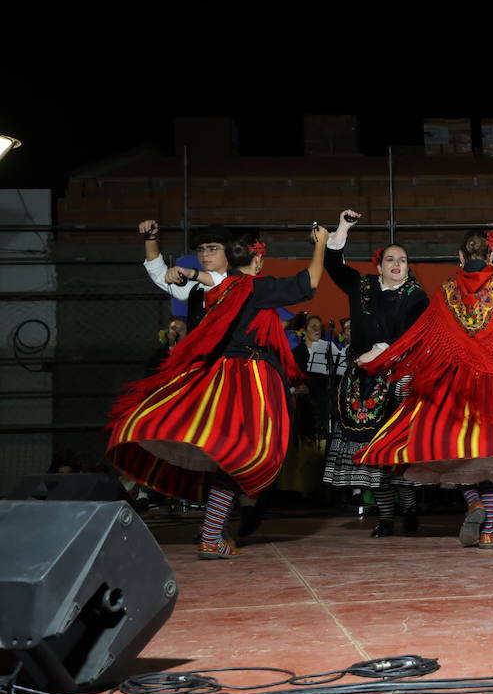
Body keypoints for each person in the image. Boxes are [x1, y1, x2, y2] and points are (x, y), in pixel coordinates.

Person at [108, 227, 328, 558]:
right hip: (247, 377)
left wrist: (188, 271)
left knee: (230, 453)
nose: (206, 256)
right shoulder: (256, 287)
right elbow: (310, 281)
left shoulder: (221, 286)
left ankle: (216, 527)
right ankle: (214, 532)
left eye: (212, 249)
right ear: (258, 258)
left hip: (220, 375)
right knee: (242, 454)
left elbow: (210, 278)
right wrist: (321, 245)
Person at [356, 221, 493, 549]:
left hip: (457, 387)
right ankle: (488, 529)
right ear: (491, 252)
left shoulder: (445, 291)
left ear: (460, 257)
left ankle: (472, 502)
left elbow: (422, 339)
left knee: (453, 450)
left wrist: (382, 360)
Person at [320, 211, 431, 537]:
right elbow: (333, 266)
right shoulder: (361, 285)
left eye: (403, 260)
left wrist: (381, 351)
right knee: (373, 453)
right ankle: (385, 517)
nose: (398, 264)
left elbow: (412, 337)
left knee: (396, 449)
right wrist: (343, 227)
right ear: (379, 265)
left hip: (399, 378)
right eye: (391, 259)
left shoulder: (417, 296)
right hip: (362, 380)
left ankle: (409, 507)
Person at [138, 220, 230, 329]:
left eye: (212, 248)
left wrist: (192, 273)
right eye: (200, 249)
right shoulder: (196, 290)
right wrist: (150, 239)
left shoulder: (244, 282)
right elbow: (158, 272)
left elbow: (223, 283)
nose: (204, 254)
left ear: (230, 251)